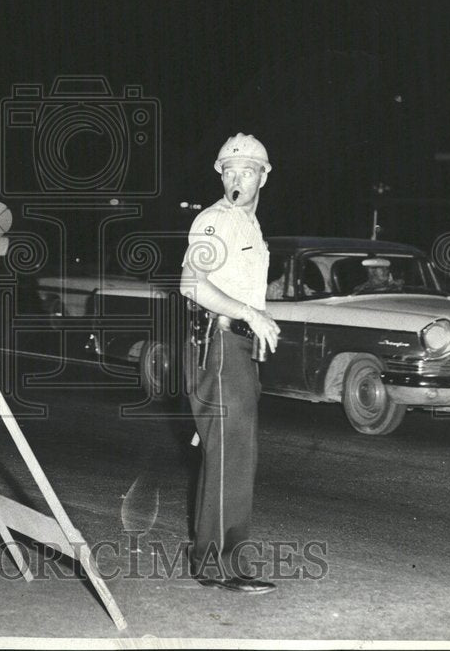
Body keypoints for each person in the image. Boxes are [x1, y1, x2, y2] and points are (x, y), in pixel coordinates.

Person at [180, 132, 281, 595]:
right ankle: (219, 565)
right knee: (232, 458)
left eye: (247, 171)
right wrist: (249, 313)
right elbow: (190, 284)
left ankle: (214, 559)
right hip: (218, 344)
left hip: (236, 350)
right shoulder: (214, 220)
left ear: (264, 176)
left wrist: (254, 317)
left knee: (231, 455)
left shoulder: (250, 225)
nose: (236, 179)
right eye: (229, 171)